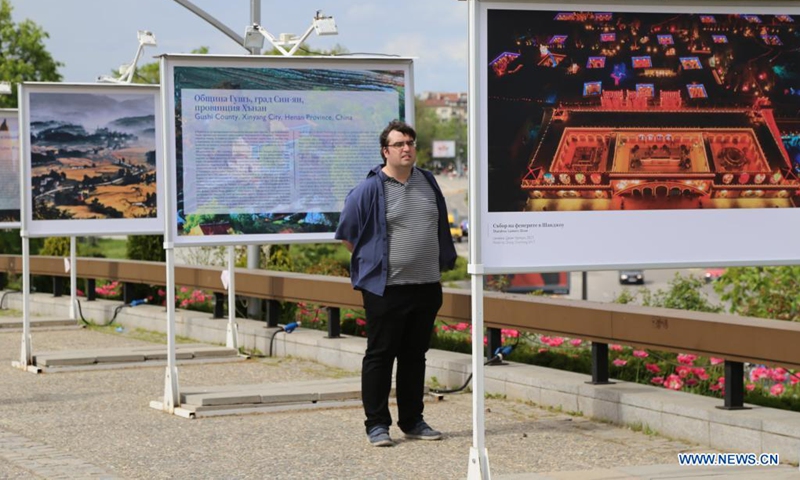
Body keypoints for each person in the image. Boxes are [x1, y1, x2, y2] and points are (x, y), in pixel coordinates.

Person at [335, 120, 457, 447]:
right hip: (386, 288)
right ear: (385, 151)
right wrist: (376, 260)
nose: (407, 148)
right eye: (400, 144)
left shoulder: (428, 182)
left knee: (414, 356)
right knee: (381, 355)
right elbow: (349, 236)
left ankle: (413, 420)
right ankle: (376, 425)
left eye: (411, 143)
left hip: (427, 285)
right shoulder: (368, 189)